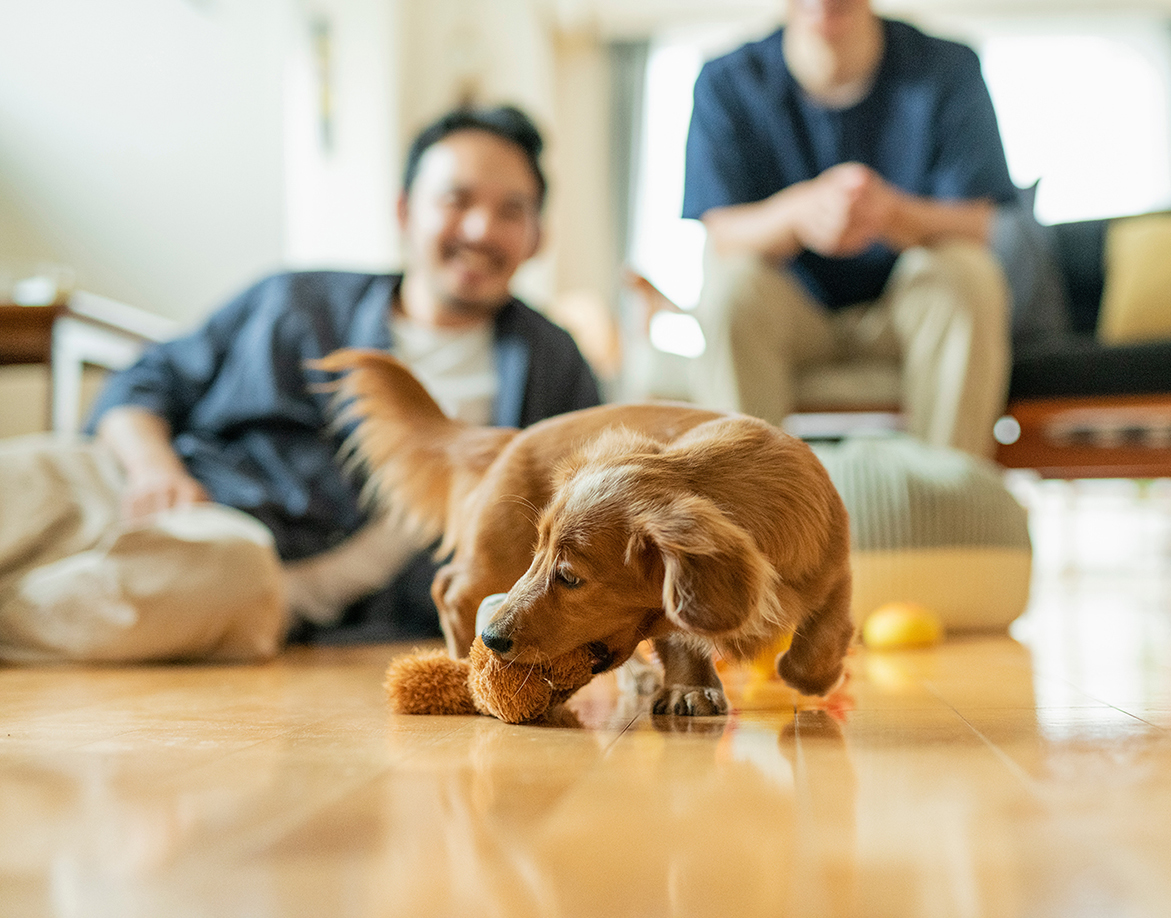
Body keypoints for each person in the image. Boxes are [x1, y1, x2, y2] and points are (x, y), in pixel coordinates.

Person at [0, 104, 601, 663]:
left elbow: (590, 525)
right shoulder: (294, 299)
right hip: (135, 482)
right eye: (456, 199)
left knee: (229, 573)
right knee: (23, 481)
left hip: (236, 573)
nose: (480, 228)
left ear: (536, 235)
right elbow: (146, 381)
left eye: (511, 210)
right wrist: (155, 469)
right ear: (404, 211)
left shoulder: (554, 369)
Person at [682, 0, 1036, 457]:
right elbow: (724, 232)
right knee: (729, 286)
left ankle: (948, 499)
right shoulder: (725, 80)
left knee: (969, 273)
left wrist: (891, 215)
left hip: (905, 309)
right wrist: (799, 214)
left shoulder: (948, 66)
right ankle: (750, 511)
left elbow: (977, 224)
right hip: (789, 310)